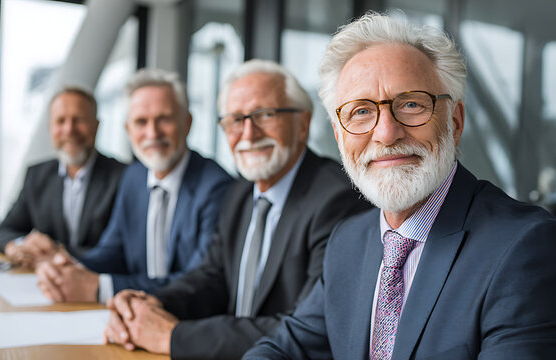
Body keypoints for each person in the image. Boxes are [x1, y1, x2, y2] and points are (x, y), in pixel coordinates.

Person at [244, 12, 556, 360]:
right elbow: (282, 349)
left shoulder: (529, 251)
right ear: (339, 136)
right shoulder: (348, 243)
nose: (385, 133)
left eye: (411, 104)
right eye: (361, 112)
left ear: (454, 122)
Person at [103, 59, 372, 359]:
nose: (248, 134)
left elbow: (306, 330)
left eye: (264, 115)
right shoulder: (240, 192)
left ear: (303, 124)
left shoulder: (336, 200)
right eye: (235, 120)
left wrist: (173, 336)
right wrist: (149, 305)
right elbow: (211, 278)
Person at [35, 69, 233, 303]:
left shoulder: (217, 187)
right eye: (141, 122)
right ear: (128, 130)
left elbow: (197, 283)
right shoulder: (134, 177)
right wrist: (68, 267)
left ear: (187, 123)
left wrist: (101, 288)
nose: (152, 133)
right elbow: (112, 250)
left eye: (164, 119)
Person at [0, 86, 126, 267]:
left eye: (78, 120)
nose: (69, 129)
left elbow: (123, 249)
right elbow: (4, 231)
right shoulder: (37, 175)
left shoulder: (124, 177)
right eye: (60, 121)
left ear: (96, 125)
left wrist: (56, 251)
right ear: (50, 128)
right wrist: (18, 246)